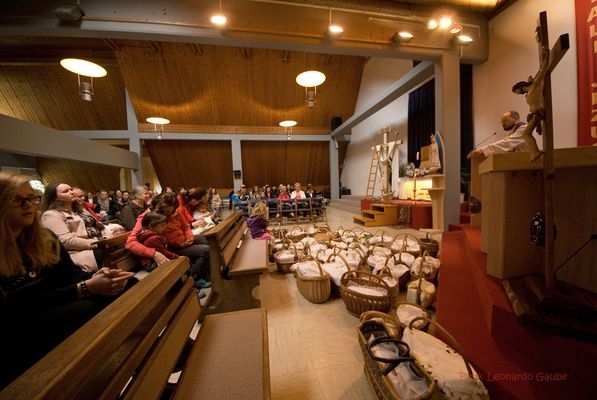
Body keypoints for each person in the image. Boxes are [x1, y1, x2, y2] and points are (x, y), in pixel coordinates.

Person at [0, 172, 135, 389]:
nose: (28, 205)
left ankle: (144, 356)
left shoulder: (45, 239)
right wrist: (82, 289)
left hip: (56, 303)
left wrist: (96, 277)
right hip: (17, 328)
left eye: (31, 198)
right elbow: (16, 309)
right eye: (17, 200)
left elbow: (70, 275)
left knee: (128, 284)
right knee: (84, 309)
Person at [125, 192, 212, 291]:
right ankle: (193, 280)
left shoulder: (174, 211)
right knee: (205, 250)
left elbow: (186, 227)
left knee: (204, 239)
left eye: (170, 211)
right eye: (164, 211)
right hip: (170, 247)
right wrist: (154, 254)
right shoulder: (149, 217)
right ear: (155, 206)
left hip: (182, 241)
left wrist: (189, 238)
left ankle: (209, 272)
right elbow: (130, 243)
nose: (168, 214)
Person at [41, 183, 102, 273]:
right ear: (55, 198)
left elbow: (96, 225)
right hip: (79, 252)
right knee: (111, 252)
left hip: (95, 243)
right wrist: (98, 243)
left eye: (71, 189)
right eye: (66, 191)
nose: (72, 192)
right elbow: (66, 241)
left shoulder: (78, 210)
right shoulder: (51, 215)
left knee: (119, 245)